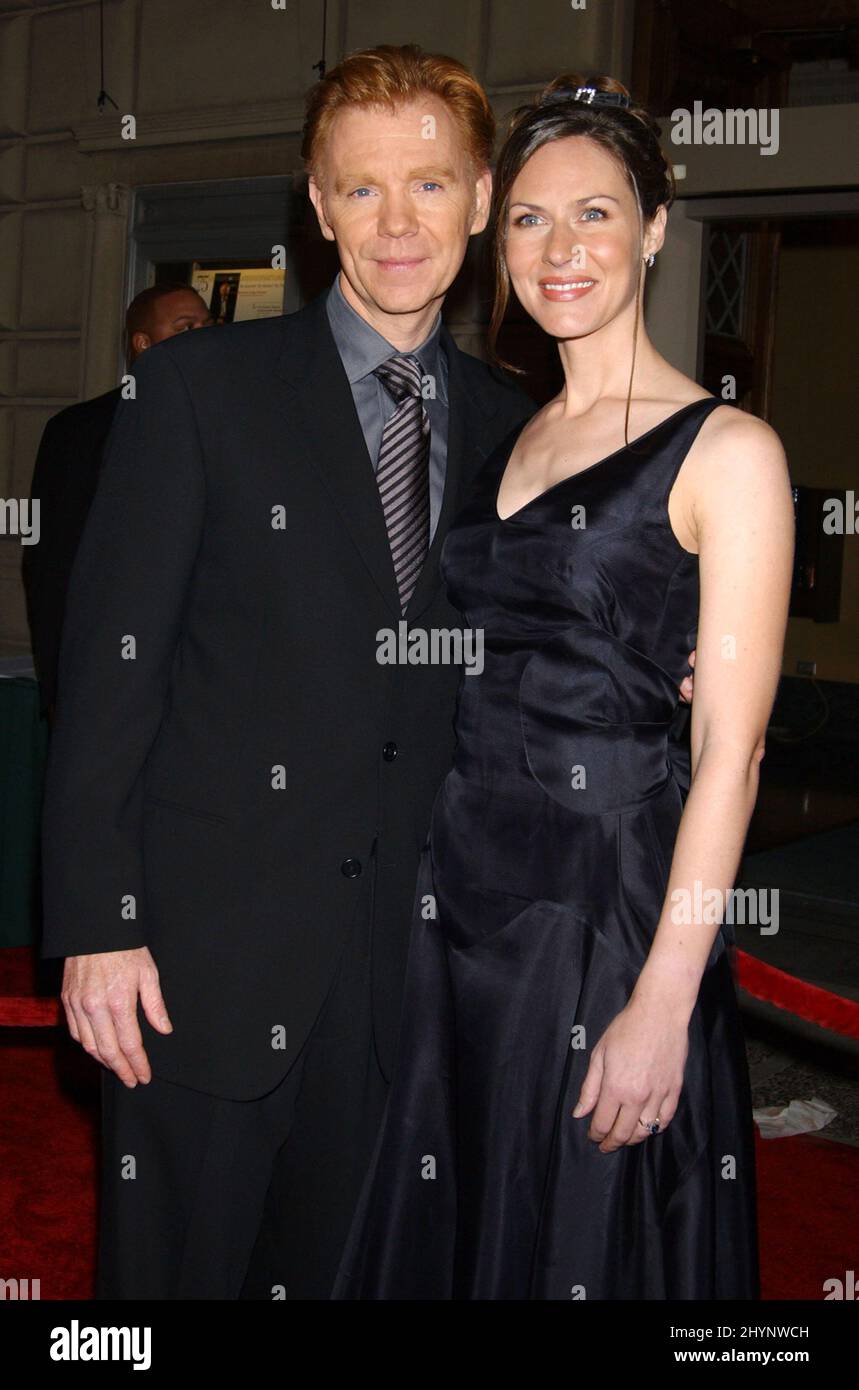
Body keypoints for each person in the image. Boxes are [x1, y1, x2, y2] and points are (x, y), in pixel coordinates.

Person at [333, 75, 794, 1300]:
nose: (561, 249)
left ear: (651, 227)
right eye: (529, 221)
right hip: (460, 896)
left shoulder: (730, 452)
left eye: (595, 213)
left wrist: (661, 1000)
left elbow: (734, 754)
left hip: (600, 913)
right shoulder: (506, 435)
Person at [23, 284, 212, 719]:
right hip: (111, 682)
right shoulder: (82, 432)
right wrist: (60, 687)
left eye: (207, 325)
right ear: (142, 344)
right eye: (185, 328)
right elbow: (52, 566)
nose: (202, 336)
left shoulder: (237, 428)